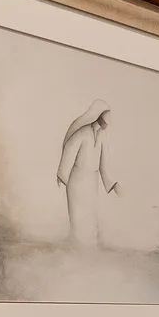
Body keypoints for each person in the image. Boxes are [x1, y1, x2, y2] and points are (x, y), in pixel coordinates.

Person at [55, 101, 119, 247]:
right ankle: (77, 246)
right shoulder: (82, 133)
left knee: (90, 214)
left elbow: (105, 162)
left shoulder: (102, 136)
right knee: (77, 215)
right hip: (77, 180)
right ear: (98, 118)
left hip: (91, 181)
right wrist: (62, 174)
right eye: (105, 120)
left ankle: (90, 248)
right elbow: (69, 151)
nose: (107, 124)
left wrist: (113, 184)